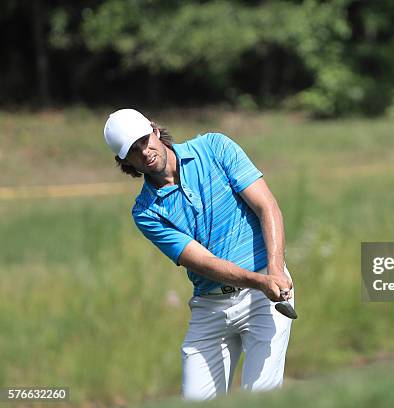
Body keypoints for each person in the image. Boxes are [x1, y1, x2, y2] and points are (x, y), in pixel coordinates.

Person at [103, 108, 294, 400]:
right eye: (132, 151)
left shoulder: (215, 147)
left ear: (154, 130)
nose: (144, 152)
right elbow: (204, 262)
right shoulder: (146, 212)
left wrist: (275, 270)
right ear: (124, 161)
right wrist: (259, 280)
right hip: (211, 306)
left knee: (261, 400)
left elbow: (266, 206)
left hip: (264, 295)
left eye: (144, 140)